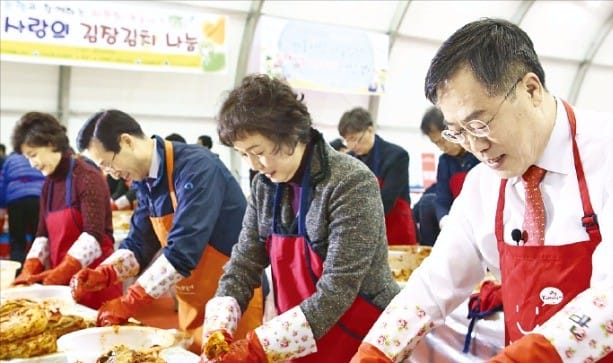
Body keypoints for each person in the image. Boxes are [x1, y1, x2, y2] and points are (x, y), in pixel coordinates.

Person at [351, 18, 613, 363]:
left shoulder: (612, 151)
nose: (476, 146)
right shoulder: (484, 184)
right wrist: (378, 350)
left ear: (531, 89)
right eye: (458, 132)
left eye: (481, 123)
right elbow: (433, 284)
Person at [199, 74, 400, 362]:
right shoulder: (264, 187)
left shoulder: (350, 182)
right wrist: (220, 324)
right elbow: (244, 263)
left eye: (259, 152)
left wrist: (255, 348)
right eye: (243, 155)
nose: (254, 165)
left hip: (357, 335)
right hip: (297, 335)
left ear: (290, 133)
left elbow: (337, 289)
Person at [71, 109, 262, 354]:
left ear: (126, 141)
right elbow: (139, 243)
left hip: (233, 299)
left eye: (108, 164)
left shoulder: (197, 167)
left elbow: (183, 249)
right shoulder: (144, 181)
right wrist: (105, 273)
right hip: (192, 300)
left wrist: (130, 301)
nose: (111, 173)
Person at [10, 112, 122, 309]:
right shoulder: (48, 186)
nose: (32, 164)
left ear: (51, 143)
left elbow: (94, 234)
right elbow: (42, 235)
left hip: (95, 282)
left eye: (33, 155)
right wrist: (29, 269)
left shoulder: (87, 177)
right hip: (63, 287)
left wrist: (65, 269)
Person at [338, 107, 417, 245]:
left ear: (370, 130)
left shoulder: (396, 156)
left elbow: (387, 199)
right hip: (362, 231)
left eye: (355, 139)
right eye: (347, 141)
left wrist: (359, 220)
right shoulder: (348, 160)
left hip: (394, 227)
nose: (352, 145)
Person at [418, 106, 479, 243]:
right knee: (427, 202)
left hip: (479, 217)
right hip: (455, 220)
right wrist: (444, 220)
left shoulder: (479, 153)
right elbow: (442, 198)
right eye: (436, 144)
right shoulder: (445, 161)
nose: (442, 148)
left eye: (442, 141)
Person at [0, 151, 46, 265]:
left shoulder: (10, 159)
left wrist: (2, 206)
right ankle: (36, 274)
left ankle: (17, 273)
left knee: (17, 240)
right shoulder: (40, 155)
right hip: (38, 199)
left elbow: (2, 183)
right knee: (39, 239)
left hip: (16, 201)